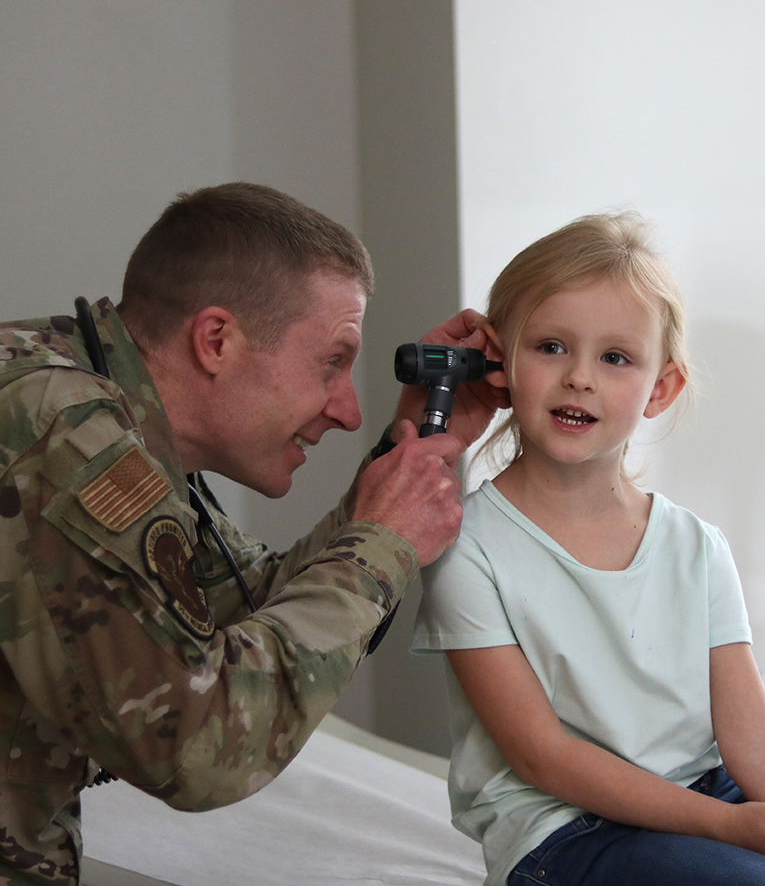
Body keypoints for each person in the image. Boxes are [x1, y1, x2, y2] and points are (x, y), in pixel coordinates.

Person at [0, 182, 507, 885]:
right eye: (332, 362)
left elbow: (239, 605)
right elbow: (193, 745)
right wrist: (383, 545)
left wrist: (406, 451)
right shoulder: (61, 433)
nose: (348, 410)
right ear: (216, 340)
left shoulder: (99, 408)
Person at [412, 212, 765, 886]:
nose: (580, 377)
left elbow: (752, 739)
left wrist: (755, 810)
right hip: (567, 831)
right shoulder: (466, 545)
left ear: (660, 388)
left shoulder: (697, 547)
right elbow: (541, 756)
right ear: (498, 363)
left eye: (615, 357)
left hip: (708, 790)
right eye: (551, 346)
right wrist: (728, 828)